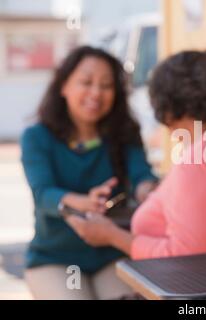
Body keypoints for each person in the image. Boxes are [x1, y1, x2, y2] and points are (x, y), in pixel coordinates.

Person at [74, 50, 206, 260]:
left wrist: (112, 236)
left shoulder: (198, 161)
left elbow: (185, 255)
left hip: (196, 285)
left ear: (169, 105)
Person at [21, 46, 158, 299]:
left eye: (106, 85)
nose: (96, 92)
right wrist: (81, 202)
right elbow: (43, 193)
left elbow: (142, 176)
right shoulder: (36, 137)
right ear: (63, 86)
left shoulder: (125, 132)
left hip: (111, 253)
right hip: (56, 259)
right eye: (86, 82)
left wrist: (150, 191)